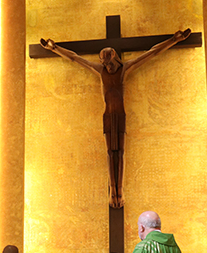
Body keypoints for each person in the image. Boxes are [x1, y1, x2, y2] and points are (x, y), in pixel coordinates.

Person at [40, 29, 191, 208]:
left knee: (120, 153)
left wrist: (174, 39)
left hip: (121, 116)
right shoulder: (100, 70)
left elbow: (152, 52)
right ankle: (113, 191)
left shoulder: (125, 68)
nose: (108, 66)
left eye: (110, 62)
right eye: (105, 63)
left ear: (116, 58)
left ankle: (121, 190)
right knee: (110, 153)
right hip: (107, 117)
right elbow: (75, 58)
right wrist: (54, 48)